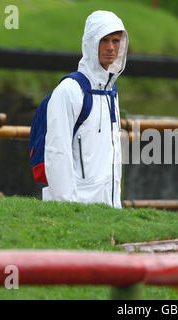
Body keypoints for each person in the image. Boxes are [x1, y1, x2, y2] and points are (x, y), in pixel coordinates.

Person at [41, 10, 128, 208]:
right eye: (104, 40)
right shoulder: (69, 91)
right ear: (91, 42)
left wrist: (116, 207)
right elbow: (57, 151)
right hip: (78, 208)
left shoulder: (111, 92)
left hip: (107, 210)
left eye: (116, 41)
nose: (111, 47)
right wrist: (67, 208)